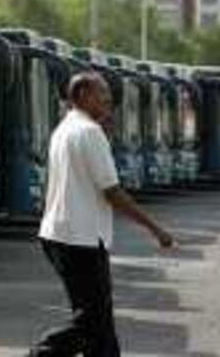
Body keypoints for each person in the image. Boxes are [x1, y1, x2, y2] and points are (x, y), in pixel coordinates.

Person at [28, 72, 175, 357]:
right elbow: (113, 193)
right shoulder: (89, 132)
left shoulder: (65, 129)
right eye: (102, 93)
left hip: (59, 235)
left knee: (100, 327)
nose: (109, 99)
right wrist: (156, 229)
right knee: (93, 323)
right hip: (79, 240)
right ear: (82, 95)